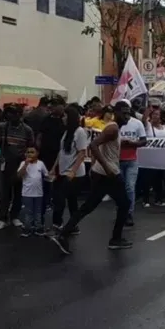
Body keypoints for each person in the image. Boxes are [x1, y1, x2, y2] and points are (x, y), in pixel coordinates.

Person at [51, 101, 134, 254]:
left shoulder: (114, 128)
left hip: (101, 172)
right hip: (109, 173)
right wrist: (107, 167)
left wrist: (96, 167)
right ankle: (115, 239)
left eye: (129, 113)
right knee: (124, 203)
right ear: (116, 112)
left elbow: (101, 147)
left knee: (89, 206)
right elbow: (93, 145)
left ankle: (64, 233)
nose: (127, 116)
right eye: (124, 112)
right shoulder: (113, 128)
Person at [0, 105, 35, 229]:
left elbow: (31, 148)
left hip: (20, 163)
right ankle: (3, 218)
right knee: (5, 192)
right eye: (9, 113)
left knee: (18, 191)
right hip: (6, 162)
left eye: (13, 114)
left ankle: (15, 216)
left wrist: (27, 163)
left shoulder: (27, 130)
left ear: (19, 115)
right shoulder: (3, 127)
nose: (10, 116)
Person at [51, 106, 89, 230]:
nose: (63, 118)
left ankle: (57, 224)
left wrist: (73, 171)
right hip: (63, 171)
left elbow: (82, 153)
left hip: (75, 173)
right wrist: (53, 168)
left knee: (60, 198)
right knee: (71, 200)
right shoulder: (67, 132)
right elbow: (61, 152)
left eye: (65, 116)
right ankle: (73, 226)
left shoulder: (80, 132)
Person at [118, 99, 147, 226]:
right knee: (119, 189)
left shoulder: (137, 123)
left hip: (132, 160)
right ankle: (121, 212)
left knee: (129, 187)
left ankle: (129, 214)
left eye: (127, 111)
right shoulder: (114, 124)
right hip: (116, 161)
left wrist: (132, 143)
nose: (126, 115)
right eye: (123, 112)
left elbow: (144, 141)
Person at [17, 146, 49, 237]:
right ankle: (27, 228)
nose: (29, 154)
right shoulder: (23, 163)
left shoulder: (41, 164)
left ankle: (38, 228)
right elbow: (19, 175)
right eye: (28, 152)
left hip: (38, 193)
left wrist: (51, 176)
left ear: (37, 153)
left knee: (38, 211)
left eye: (32, 152)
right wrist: (25, 165)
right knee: (28, 211)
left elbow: (46, 174)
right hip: (27, 193)